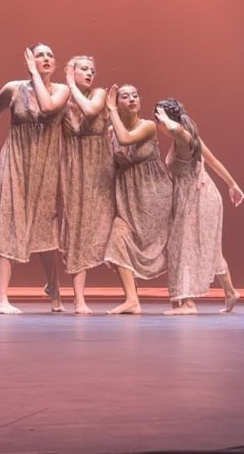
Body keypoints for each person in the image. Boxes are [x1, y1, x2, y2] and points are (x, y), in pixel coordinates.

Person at [0, 44, 69, 314]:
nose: (46, 58)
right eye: (40, 55)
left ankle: (53, 288)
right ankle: (1, 298)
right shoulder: (13, 88)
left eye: (50, 55)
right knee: (7, 221)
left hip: (46, 165)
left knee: (44, 227)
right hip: (15, 160)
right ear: (30, 60)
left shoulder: (61, 90)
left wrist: (36, 77)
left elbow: (48, 107)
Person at [154, 98, 244, 314]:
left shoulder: (182, 135)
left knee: (186, 246)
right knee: (205, 249)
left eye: (158, 120)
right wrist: (232, 184)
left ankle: (188, 303)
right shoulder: (185, 137)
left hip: (199, 199)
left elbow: (211, 161)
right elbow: (214, 162)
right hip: (196, 198)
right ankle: (231, 292)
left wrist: (165, 119)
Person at [103, 84, 173, 315]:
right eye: (125, 96)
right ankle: (132, 300)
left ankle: (183, 299)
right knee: (118, 238)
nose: (131, 99)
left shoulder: (148, 126)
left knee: (171, 244)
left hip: (155, 196)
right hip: (129, 199)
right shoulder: (112, 132)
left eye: (135, 95)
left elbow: (126, 139)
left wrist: (111, 109)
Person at [53, 56, 115, 314]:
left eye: (93, 70)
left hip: (99, 170)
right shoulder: (61, 101)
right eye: (84, 69)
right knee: (77, 229)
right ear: (72, 70)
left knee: (106, 226)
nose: (90, 73)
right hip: (74, 171)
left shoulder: (98, 94)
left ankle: (131, 296)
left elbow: (90, 110)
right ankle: (78, 299)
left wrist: (70, 84)